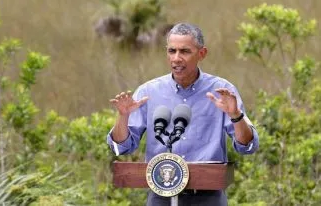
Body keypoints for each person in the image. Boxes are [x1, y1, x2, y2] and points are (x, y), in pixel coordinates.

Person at [106, 23, 259, 206]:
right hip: (160, 195)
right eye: (172, 51)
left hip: (208, 197)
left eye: (185, 51)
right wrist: (122, 117)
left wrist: (236, 116)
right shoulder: (148, 92)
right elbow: (121, 148)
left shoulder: (222, 91)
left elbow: (248, 147)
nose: (176, 58)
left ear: (201, 54)